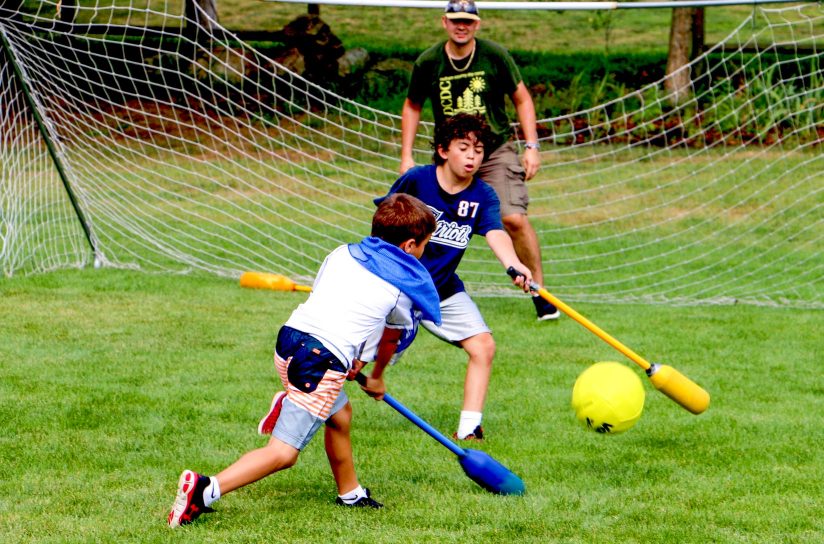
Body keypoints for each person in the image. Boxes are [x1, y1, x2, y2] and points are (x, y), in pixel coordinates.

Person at [167, 193, 441, 527]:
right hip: (318, 364)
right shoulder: (401, 287)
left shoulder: (343, 253)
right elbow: (389, 337)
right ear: (410, 245)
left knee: (340, 415)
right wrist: (377, 375)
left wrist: (354, 360)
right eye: (425, 244)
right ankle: (206, 489)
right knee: (284, 453)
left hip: (289, 343)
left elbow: (340, 303)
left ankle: (350, 492)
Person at [368, 113, 532, 441]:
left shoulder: (483, 195)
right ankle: (304, 394)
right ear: (443, 150)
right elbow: (383, 219)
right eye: (464, 148)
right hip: (397, 288)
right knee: (359, 356)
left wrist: (513, 264)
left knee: (483, 347)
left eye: (479, 150)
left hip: (441, 290)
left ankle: (469, 429)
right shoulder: (417, 180)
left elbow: (495, 232)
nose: (472, 156)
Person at [398, 0, 559, 321]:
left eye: (468, 21)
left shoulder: (494, 55)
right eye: (456, 20)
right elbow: (412, 105)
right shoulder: (429, 61)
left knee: (512, 218)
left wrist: (532, 146)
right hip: (451, 155)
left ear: (477, 24)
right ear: (444, 22)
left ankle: (540, 291)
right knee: (429, 226)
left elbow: (522, 98)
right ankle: (417, 290)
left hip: (494, 150)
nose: (462, 26)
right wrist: (406, 155)